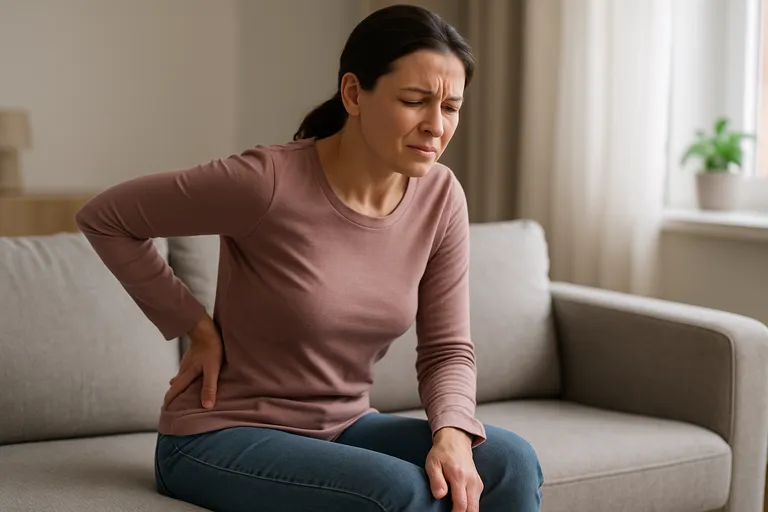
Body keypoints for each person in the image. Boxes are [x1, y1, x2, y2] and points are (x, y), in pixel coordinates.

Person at [75, 4, 543, 511]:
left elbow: (446, 349)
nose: (436, 126)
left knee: (511, 462)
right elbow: (106, 217)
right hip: (217, 435)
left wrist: (451, 433)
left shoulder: (441, 196)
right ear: (353, 94)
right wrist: (194, 324)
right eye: (415, 101)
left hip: (343, 425)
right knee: (399, 492)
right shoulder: (267, 182)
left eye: (451, 107)